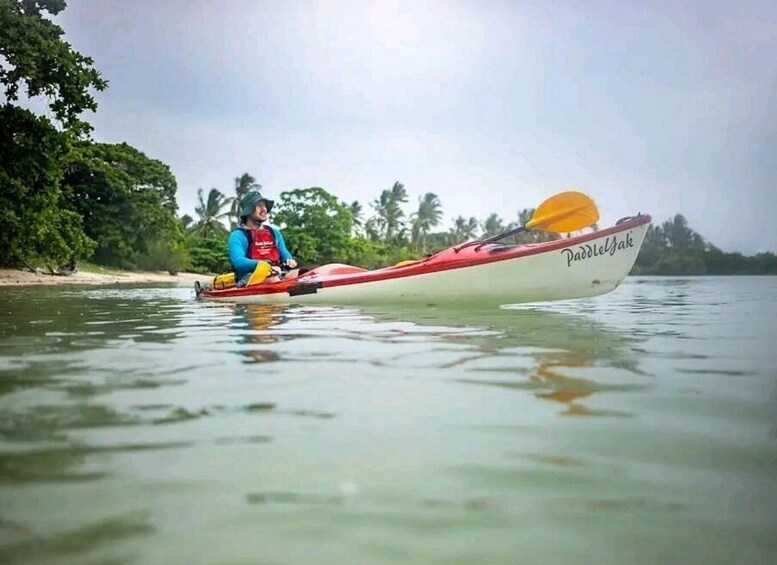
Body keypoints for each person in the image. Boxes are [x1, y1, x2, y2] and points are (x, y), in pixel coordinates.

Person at [228, 190, 297, 286]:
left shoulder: (274, 233)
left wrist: (288, 260)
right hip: (249, 278)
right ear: (248, 210)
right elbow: (238, 261)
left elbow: (284, 252)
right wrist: (265, 265)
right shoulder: (237, 236)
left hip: (277, 273)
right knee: (273, 279)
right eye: (259, 206)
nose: (264, 209)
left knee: (299, 274)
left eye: (264, 206)